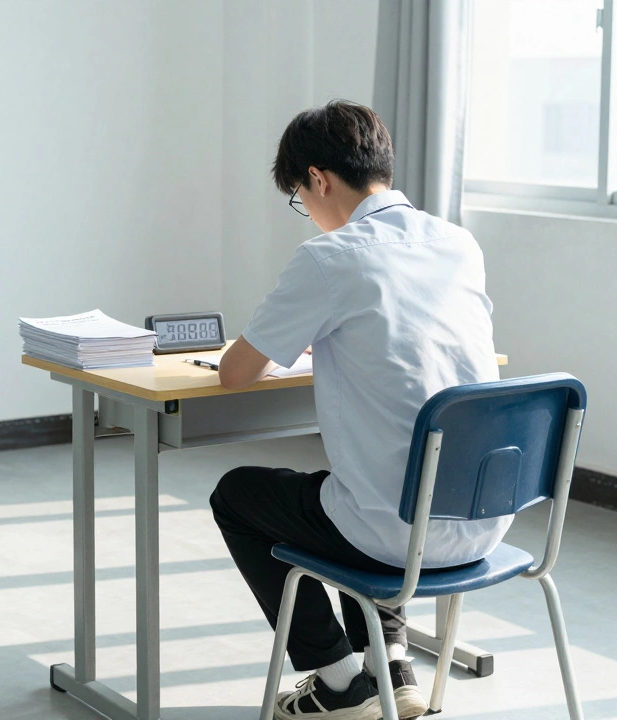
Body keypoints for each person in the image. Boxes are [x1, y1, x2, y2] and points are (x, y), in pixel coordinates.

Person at [210, 100, 505, 720]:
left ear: (317, 179)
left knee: (239, 495)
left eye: (299, 195)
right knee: (382, 467)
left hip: (392, 533)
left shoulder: (330, 257)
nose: (308, 211)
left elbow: (237, 372)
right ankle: (390, 666)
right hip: (483, 520)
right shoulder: (458, 244)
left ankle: (341, 681)